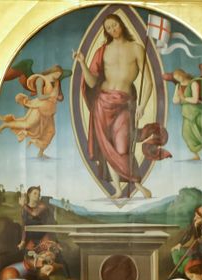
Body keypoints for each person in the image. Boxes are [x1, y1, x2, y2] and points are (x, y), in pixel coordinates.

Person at [73, 13, 168, 199]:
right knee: (107, 146)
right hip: (103, 102)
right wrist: (83, 63)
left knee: (122, 147)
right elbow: (92, 83)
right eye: (108, 28)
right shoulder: (103, 50)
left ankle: (137, 185)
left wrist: (142, 105)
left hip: (124, 103)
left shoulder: (136, 48)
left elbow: (148, 82)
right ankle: (117, 189)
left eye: (114, 25)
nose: (112, 30)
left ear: (121, 25)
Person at [0, 64, 67, 158]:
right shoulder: (41, 80)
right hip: (40, 107)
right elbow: (40, 96)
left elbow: (58, 96)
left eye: (59, 75)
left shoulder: (55, 82)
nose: (57, 77)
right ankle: (6, 124)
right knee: (28, 124)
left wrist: (57, 96)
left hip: (49, 110)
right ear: (53, 71)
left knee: (51, 131)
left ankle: (40, 153)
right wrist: (51, 96)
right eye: (57, 74)